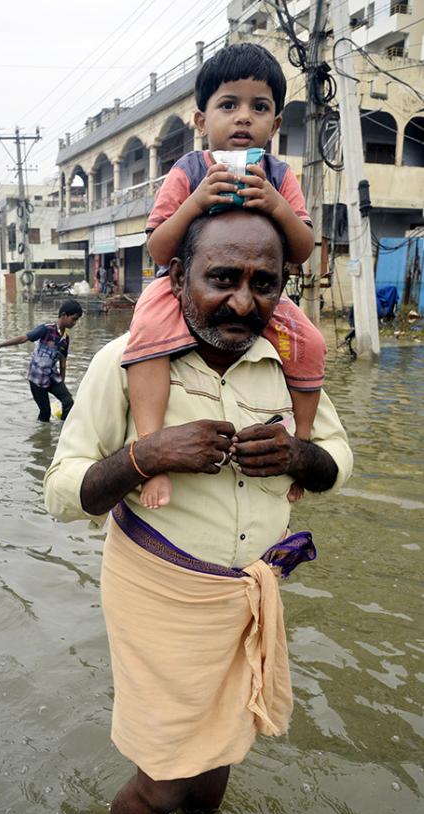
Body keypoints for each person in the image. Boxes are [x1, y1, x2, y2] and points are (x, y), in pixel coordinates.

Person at [44, 209, 352, 814]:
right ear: (180, 277)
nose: (243, 301)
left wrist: (299, 456)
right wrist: (146, 456)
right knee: (160, 783)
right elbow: (61, 493)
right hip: (158, 598)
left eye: (264, 283)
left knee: (216, 770)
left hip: (246, 599)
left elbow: (337, 461)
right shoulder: (124, 361)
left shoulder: (288, 362)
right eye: (222, 278)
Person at [125, 42, 326, 510]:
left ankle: (303, 442)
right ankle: (151, 448)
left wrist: (276, 204)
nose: (243, 118)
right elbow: (157, 247)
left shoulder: (279, 175)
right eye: (228, 105)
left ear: (275, 125)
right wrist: (196, 200)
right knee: (146, 336)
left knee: (311, 344)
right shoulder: (188, 169)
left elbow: (301, 251)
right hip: (180, 292)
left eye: (259, 108)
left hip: (258, 298)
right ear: (201, 121)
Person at [0, 299, 83, 422]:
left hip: (53, 377)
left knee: (68, 401)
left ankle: (63, 430)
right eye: (74, 319)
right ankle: (42, 435)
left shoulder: (65, 338)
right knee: (45, 413)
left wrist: (62, 384)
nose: (75, 322)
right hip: (37, 379)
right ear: (64, 315)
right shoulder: (46, 329)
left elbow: (63, 363)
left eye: (76, 319)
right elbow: (23, 338)